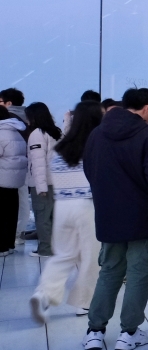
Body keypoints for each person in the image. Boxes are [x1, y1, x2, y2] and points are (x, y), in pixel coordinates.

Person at [82, 88, 148, 350]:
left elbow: (89, 170)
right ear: (147, 107)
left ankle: (94, 330)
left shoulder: (97, 134)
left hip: (108, 214)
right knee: (139, 274)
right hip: (143, 215)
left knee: (109, 270)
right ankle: (129, 332)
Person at [29, 101, 104, 322]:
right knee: (90, 256)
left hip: (63, 205)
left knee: (64, 255)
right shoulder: (97, 143)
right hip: (87, 205)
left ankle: (44, 293)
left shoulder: (62, 146)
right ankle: (84, 302)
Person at [25, 103, 62, 257]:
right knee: (54, 218)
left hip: (43, 183)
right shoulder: (57, 132)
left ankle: (46, 249)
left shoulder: (37, 134)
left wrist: (40, 187)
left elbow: (38, 163)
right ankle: (56, 248)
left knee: (42, 217)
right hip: (57, 182)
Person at [1, 88, 32, 246]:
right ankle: (18, 234)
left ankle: (9, 237)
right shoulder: (26, 118)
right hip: (24, 166)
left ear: (9, 103)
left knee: (8, 205)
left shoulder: (7, 120)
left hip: (6, 170)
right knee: (21, 201)